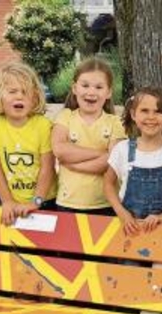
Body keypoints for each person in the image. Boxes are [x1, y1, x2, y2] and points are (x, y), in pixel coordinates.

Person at [104, 86, 162, 235]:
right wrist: (122, 214)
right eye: (144, 111)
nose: (151, 117)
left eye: (158, 112)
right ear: (133, 114)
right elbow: (107, 184)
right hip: (130, 230)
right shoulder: (122, 149)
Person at [0, 61, 57, 225]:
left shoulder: (43, 125)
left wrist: (36, 201)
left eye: (25, 92)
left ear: (35, 97)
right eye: (12, 91)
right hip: (11, 202)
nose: (19, 96)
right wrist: (7, 201)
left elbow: (47, 168)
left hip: (45, 200)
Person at [52, 57, 126, 216]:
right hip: (68, 202)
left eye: (99, 87)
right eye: (85, 85)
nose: (91, 92)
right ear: (74, 88)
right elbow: (60, 150)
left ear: (109, 92)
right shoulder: (65, 117)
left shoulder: (115, 123)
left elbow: (112, 163)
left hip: (105, 203)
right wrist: (101, 153)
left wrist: (74, 165)